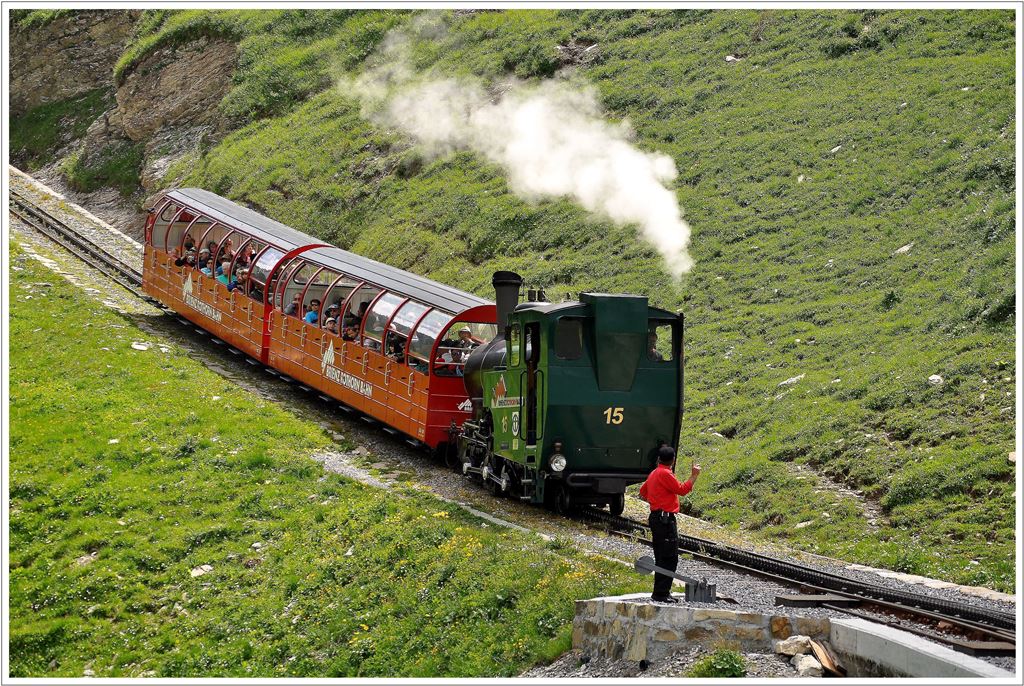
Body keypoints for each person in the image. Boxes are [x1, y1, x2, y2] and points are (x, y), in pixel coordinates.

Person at [638, 447, 701, 603]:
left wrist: (656, 498)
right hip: (665, 519)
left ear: (659, 459)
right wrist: (694, 476)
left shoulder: (654, 473)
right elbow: (682, 490)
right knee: (669, 557)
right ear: (673, 460)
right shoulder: (665, 474)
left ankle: (661, 591)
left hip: (656, 517)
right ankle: (661, 594)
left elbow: (643, 491)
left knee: (661, 555)